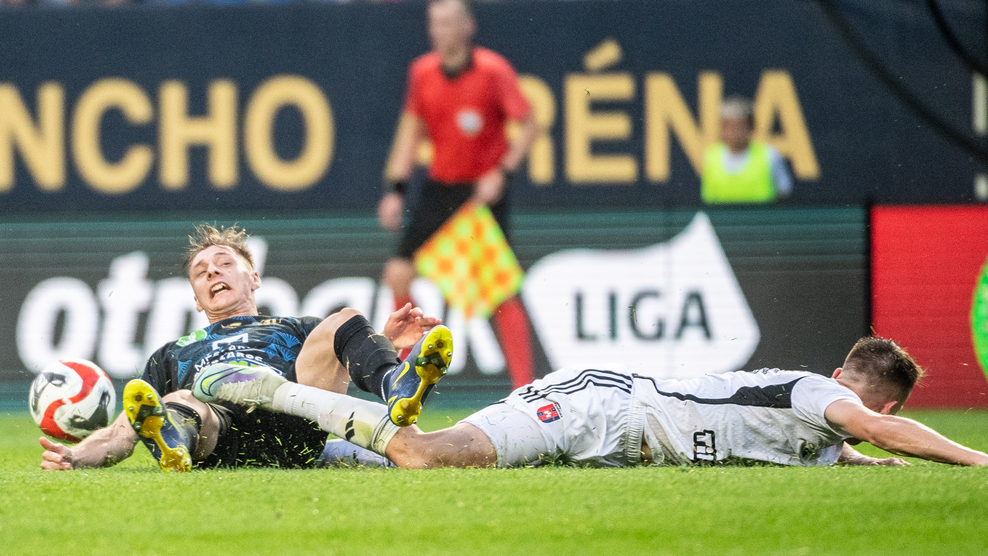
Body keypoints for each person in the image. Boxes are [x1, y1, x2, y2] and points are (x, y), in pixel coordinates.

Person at [194, 336, 988, 468]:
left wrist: (867, 456)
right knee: (426, 456)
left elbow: (845, 445)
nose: (867, 423)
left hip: (616, 438)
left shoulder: (817, 433)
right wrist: (973, 457)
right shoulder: (819, 394)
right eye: (872, 410)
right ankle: (284, 394)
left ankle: (328, 451)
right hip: (600, 407)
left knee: (416, 463)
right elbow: (869, 430)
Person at [39, 223, 452, 472]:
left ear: (254, 278)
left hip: (296, 423)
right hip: (222, 434)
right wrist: (74, 457)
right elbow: (120, 433)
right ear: (196, 299)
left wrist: (381, 342)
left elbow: (335, 372)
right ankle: (173, 443)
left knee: (345, 318)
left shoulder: (295, 327)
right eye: (201, 272)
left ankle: (395, 382)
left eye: (224, 263)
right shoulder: (172, 352)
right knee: (181, 399)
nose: (212, 272)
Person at [379, 0, 541, 389]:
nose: (439, 31)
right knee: (398, 272)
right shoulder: (422, 72)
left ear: (468, 27)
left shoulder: (492, 70)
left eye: (448, 23)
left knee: (499, 291)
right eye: (434, 24)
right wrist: (396, 189)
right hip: (441, 188)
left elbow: (530, 125)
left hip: (481, 192)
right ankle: (406, 376)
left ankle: (526, 388)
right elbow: (412, 131)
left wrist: (502, 172)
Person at [701, 96, 793, 204]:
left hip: (762, 215)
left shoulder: (769, 155)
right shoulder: (710, 156)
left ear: (751, 127)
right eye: (727, 126)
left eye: (738, 126)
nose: (732, 132)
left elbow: (784, 191)